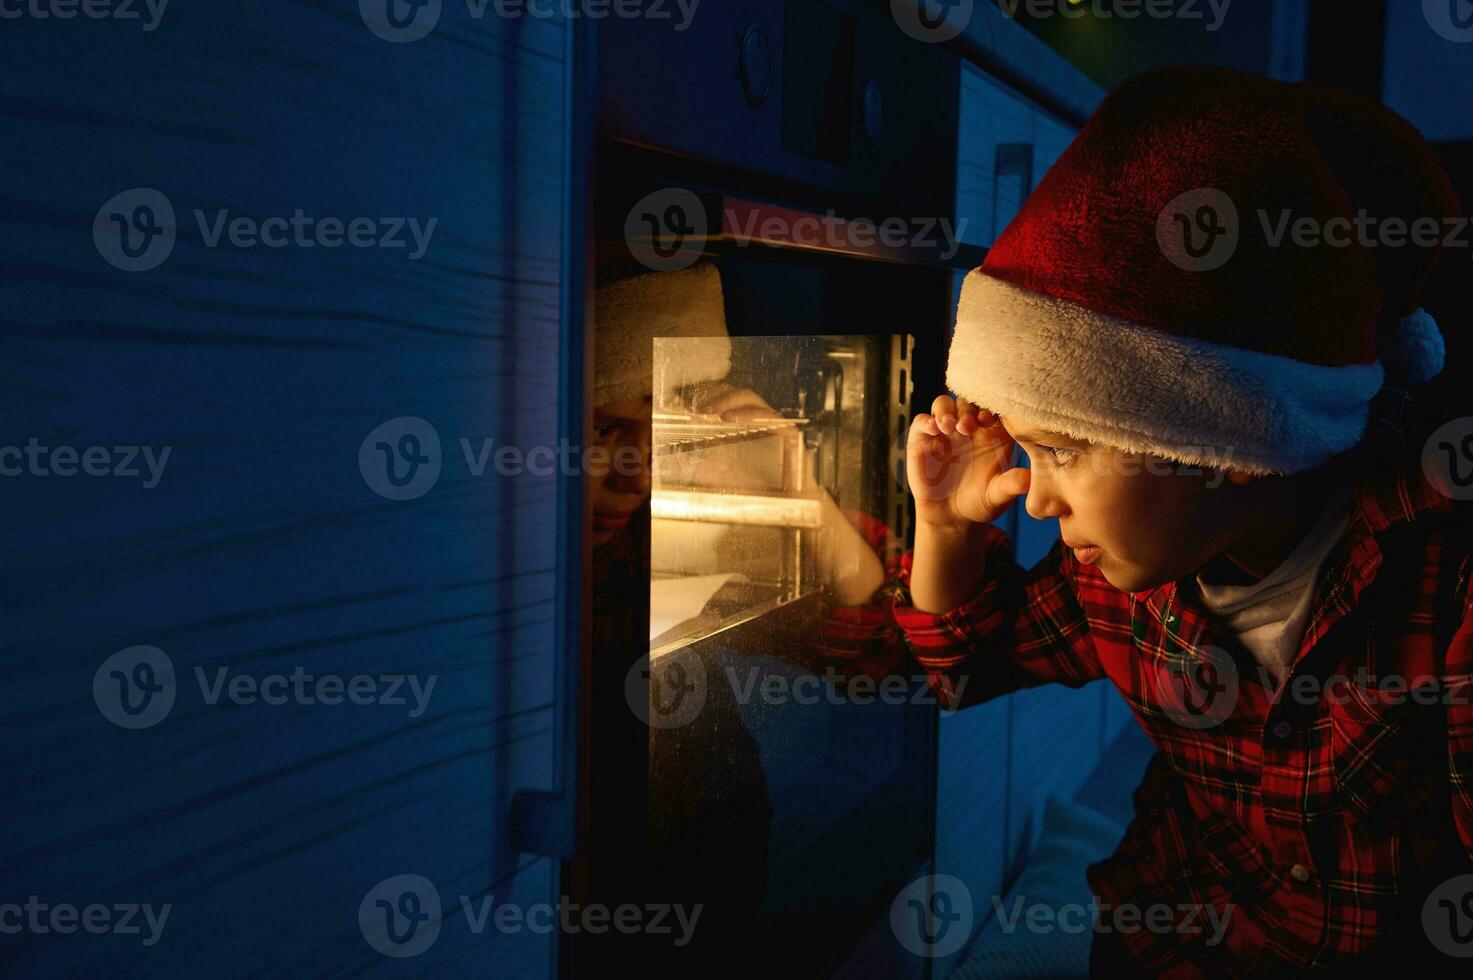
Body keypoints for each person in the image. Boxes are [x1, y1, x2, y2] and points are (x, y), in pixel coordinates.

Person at [885, 66, 1473, 974]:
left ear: (1226, 441)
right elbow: (963, 666)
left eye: (1064, 452)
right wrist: (946, 529)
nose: (1036, 500)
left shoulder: (1441, 587)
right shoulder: (1115, 574)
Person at [586, 262, 892, 973]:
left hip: (710, 867)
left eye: (658, 437)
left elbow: (871, 640)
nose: (635, 476)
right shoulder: (473, 575)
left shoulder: (663, 539)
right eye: (601, 430)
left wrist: (796, 483)